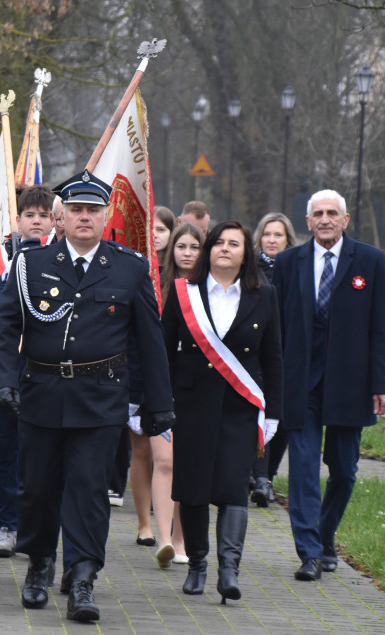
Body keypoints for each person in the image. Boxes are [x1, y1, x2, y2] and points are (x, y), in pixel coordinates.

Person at [0, 170, 174, 623]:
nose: (84, 217)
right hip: (42, 393)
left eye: (93, 210)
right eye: (75, 210)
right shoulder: (31, 264)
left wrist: (159, 406)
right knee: (38, 488)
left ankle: (84, 574)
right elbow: (5, 326)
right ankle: (39, 565)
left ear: (105, 215)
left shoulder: (129, 268)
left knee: (90, 491)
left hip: (100, 397)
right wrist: (4, 381)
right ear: (60, 217)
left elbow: (149, 342)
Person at [272, 189, 385, 581]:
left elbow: (380, 327)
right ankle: (309, 552)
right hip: (301, 383)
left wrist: (381, 384)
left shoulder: (370, 261)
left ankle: (325, 537)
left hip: (349, 384)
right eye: (317, 214)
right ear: (307, 222)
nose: (325, 219)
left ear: (345, 219)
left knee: (344, 471)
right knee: (303, 469)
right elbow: (276, 328)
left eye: (332, 213)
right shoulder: (288, 262)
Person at [162, 220, 283, 603]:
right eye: (218, 243)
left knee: (233, 489)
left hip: (239, 408)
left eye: (235, 243)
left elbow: (274, 358)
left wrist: (274, 412)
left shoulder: (265, 296)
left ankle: (229, 569)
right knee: (194, 489)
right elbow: (163, 353)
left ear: (246, 253)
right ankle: (198, 564)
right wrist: (159, 406)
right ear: (207, 250)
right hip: (192, 405)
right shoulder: (184, 292)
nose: (226, 249)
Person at [0, 184, 55, 558]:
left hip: (43, 371)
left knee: (37, 451)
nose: (36, 221)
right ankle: (6, 524)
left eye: (44, 215)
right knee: (2, 446)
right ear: (17, 219)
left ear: (54, 220)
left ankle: (33, 524)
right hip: (1, 368)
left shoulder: (60, 257)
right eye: (29, 215)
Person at [128, 222, 204, 570]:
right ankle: (162, 539)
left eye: (194, 247)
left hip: (199, 390)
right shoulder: (158, 285)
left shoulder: (211, 290)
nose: (187, 253)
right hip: (162, 387)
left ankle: (181, 539)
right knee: (164, 461)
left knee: (188, 464)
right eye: (181, 246)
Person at [249, 212, 298, 505]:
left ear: (287, 239)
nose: (271, 240)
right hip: (253, 355)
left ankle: (267, 475)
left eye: (278, 235)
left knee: (281, 418)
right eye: (267, 234)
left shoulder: (296, 269)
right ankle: (254, 475)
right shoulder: (250, 267)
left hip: (287, 352)